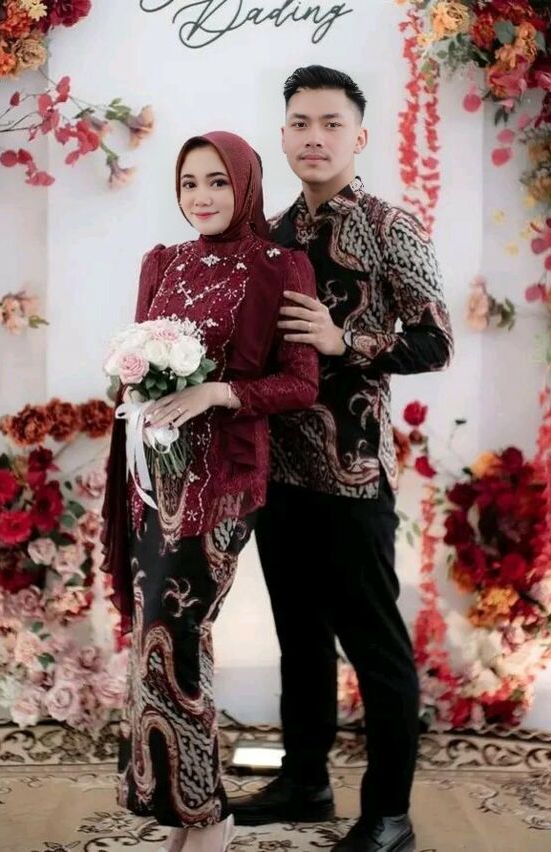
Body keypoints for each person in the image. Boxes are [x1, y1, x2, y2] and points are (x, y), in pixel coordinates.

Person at [229, 66, 454, 852]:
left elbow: (435, 341)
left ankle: (389, 816)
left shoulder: (392, 227)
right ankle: (305, 781)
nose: (315, 137)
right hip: (277, 471)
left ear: (360, 136)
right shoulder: (269, 236)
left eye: (331, 123)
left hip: (354, 474)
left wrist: (343, 339)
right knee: (299, 639)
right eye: (300, 123)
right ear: (283, 135)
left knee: (377, 650)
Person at [101, 131, 319, 852]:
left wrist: (218, 391)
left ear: (246, 185)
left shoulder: (280, 266)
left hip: (224, 480)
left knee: (179, 632)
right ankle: (184, 809)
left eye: (218, 181)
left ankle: (209, 814)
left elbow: (301, 382)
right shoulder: (162, 263)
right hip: (153, 477)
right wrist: (132, 381)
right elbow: (136, 364)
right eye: (189, 182)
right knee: (153, 638)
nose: (201, 196)